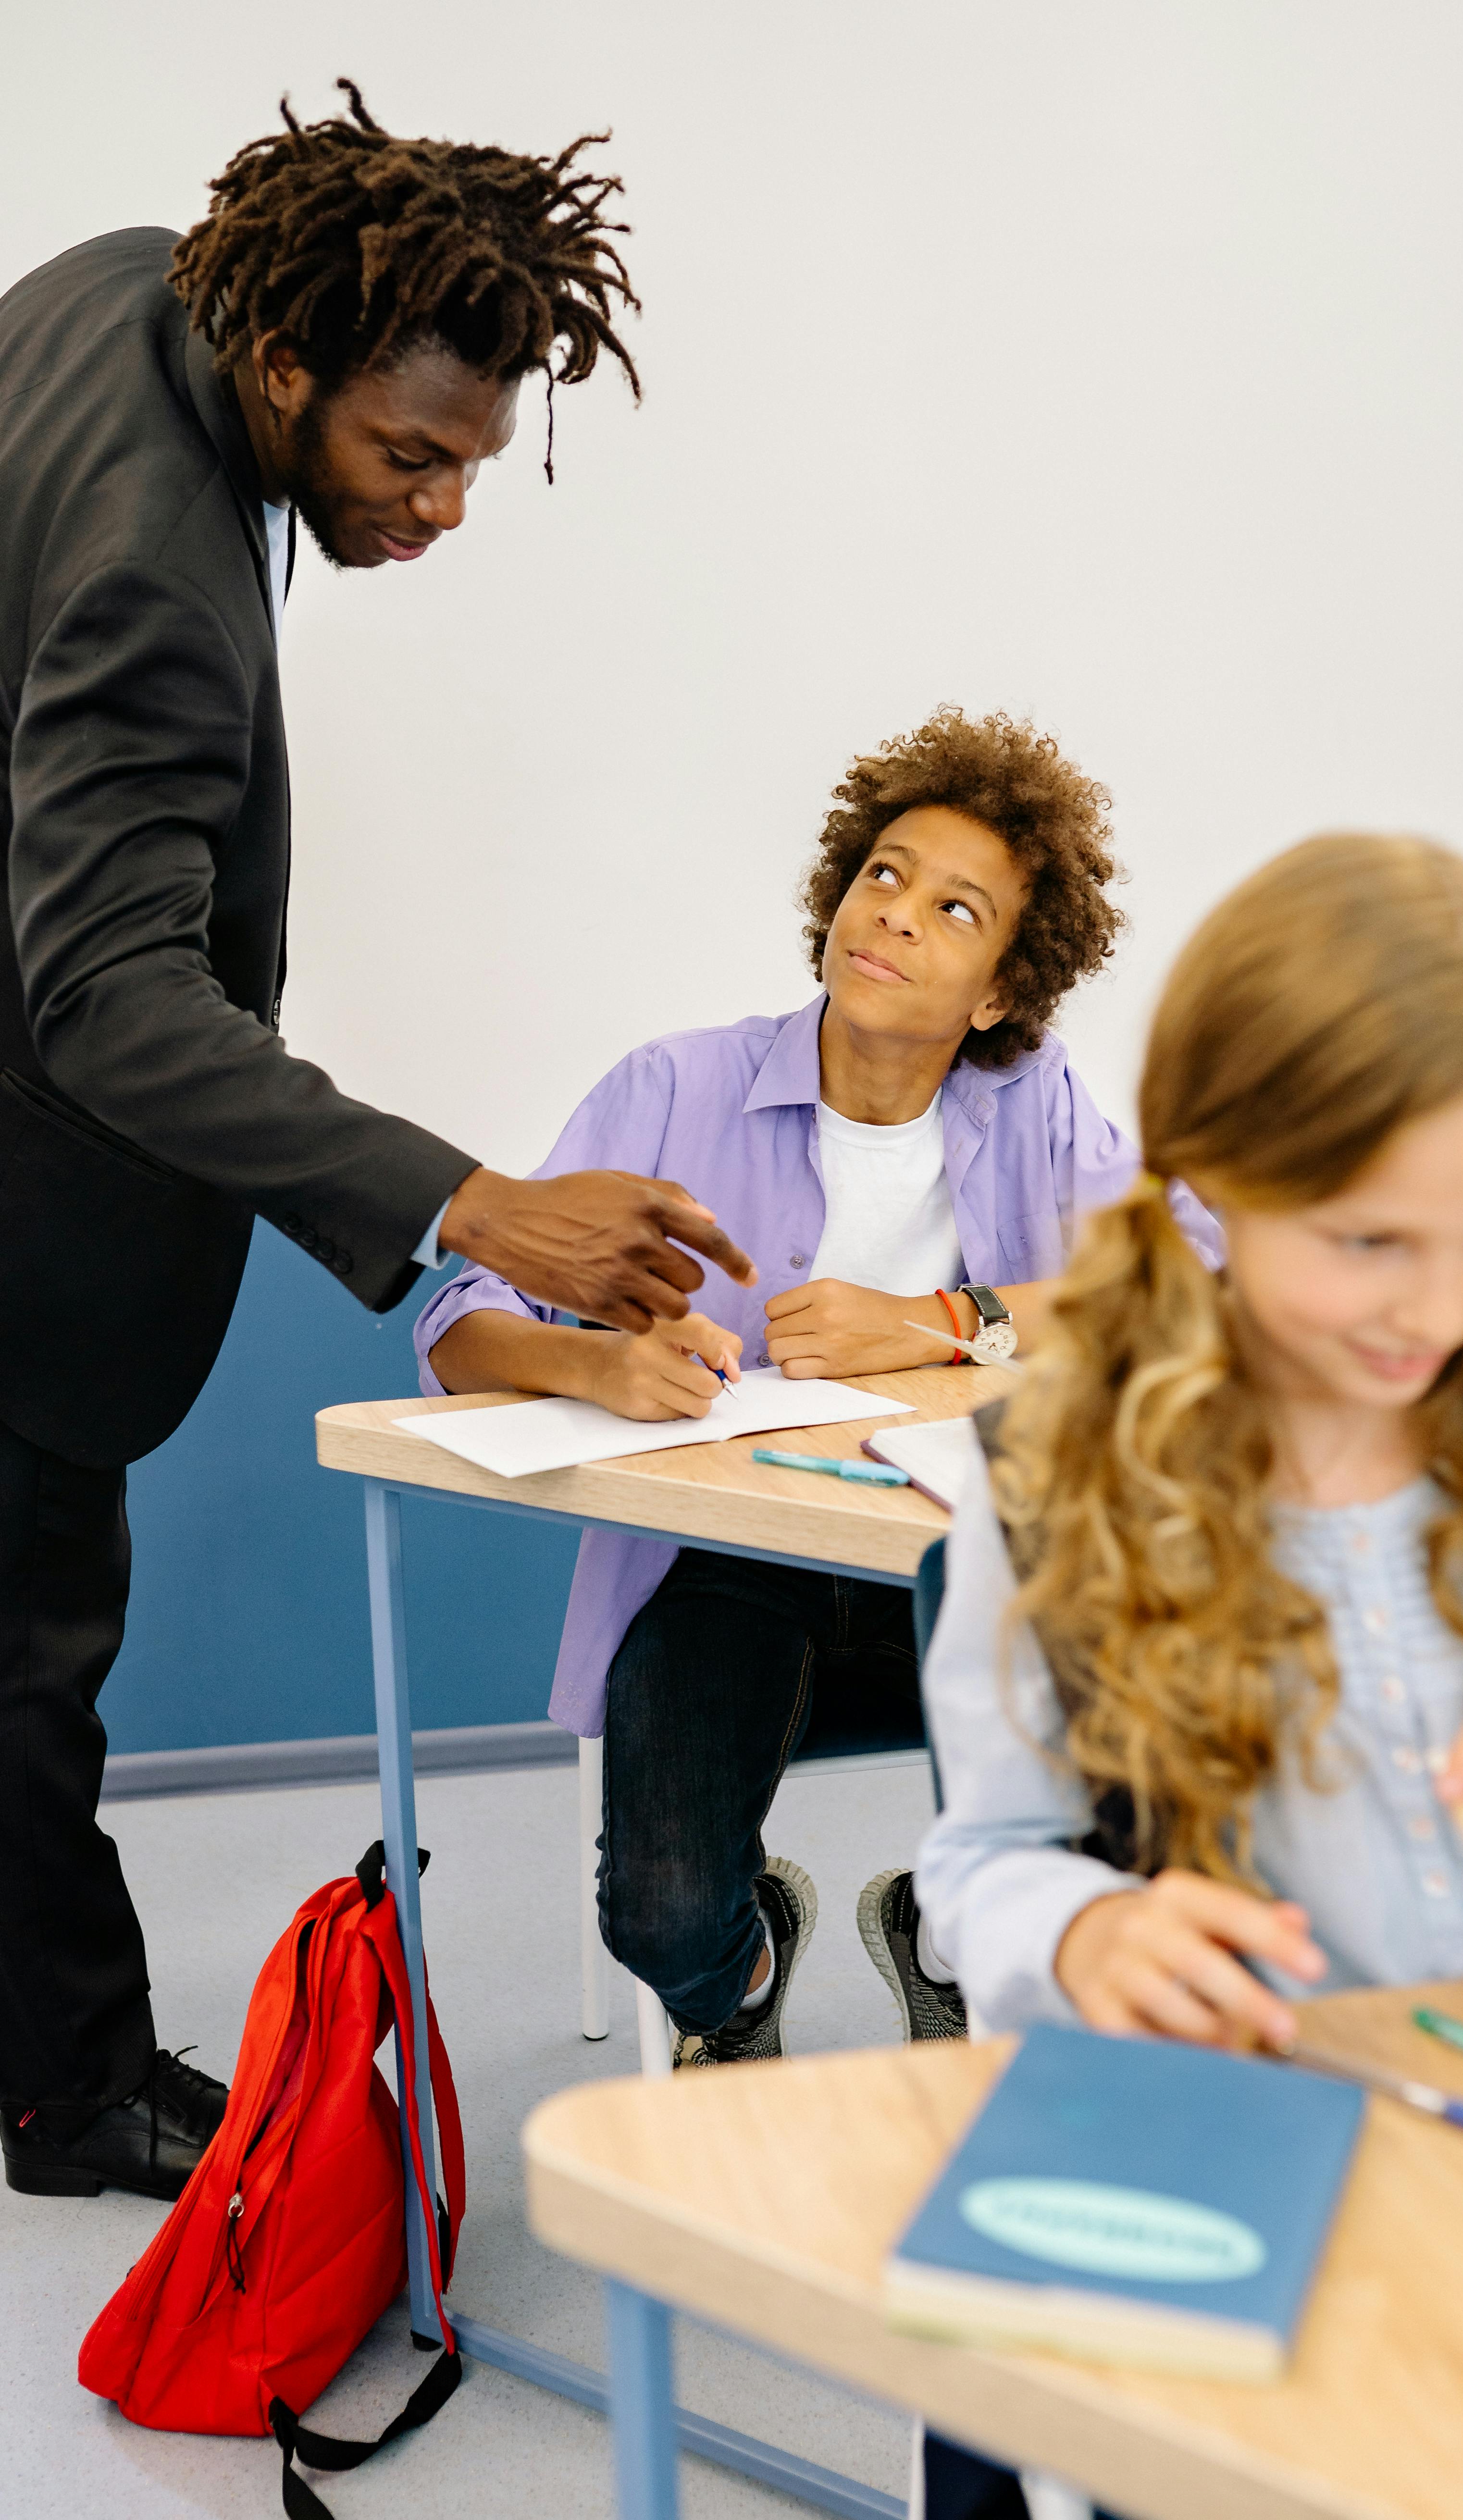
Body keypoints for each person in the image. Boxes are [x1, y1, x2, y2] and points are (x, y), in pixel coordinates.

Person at [0, 86, 753, 2204]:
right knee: (29, 1667)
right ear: (279, 371)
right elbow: (112, 998)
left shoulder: (123, 284)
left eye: (470, 462)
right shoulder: (160, 559)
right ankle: (61, 2097)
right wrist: (479, 1206)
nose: (435, 512)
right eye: (404, 458)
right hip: (31, 1186)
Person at [912, 831, 1463, 2519]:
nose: (1444, 1303)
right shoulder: (1063, 1470)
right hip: (1234, 2167)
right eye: (1365, 1241)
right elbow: (978, 1872)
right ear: (1216, 1181)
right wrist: (1093, 1928)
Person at [416, 707, 1218, 2066]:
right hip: (733, 1562)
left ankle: (946, 1928)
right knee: (663, 1920)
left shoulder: (1038, 1103)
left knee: (1139, 1808)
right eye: (886, 873)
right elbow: (462, 1313)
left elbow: (1186, 1276)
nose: (895, 914)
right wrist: (599, 1360)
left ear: (1000, 993)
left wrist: (941, 1321)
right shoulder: (675, 1086)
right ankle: (749, 1969)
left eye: (955, 908)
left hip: (971, 1560)